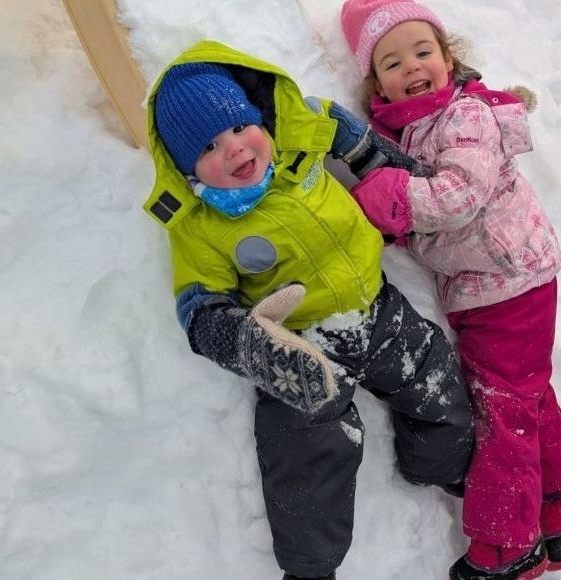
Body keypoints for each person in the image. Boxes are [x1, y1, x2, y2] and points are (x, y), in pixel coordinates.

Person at [143, 39, 473, 580]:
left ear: (260, 119)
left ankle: (444, 465)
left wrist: (404, 171)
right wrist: (249, 344)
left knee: (433, 375)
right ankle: (310, 566)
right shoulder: (199, 227)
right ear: (188, 170)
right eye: (209, 147)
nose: (236, 149)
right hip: (298, 345)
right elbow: (198, 307)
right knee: (302, 448)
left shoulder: (297, 148)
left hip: (377, 307)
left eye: (240, 127)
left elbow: (344, 132)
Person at [328, 1, 561, 578]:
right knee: (521, 397)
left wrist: (389, 199)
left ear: (448, 58)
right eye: (392, 62)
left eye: (423, 51)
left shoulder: (464, 116)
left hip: (511, 281)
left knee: (501, 412)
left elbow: (458, 195)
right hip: (491, 285)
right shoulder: (410, 132)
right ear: (376, 83)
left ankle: (507, 547)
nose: (412, 66)